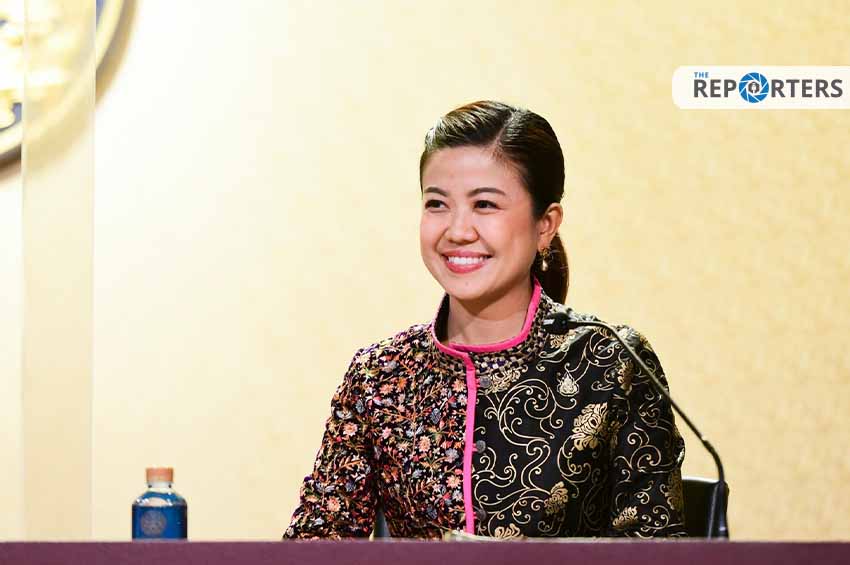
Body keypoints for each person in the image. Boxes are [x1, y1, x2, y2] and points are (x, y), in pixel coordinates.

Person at [283, 101, 686, 539]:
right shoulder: (379, 375)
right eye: (437, 204)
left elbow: (655, 549)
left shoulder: (612, 362)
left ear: (545, 224)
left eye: (485, 205)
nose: (458, 230)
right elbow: (316, 544)